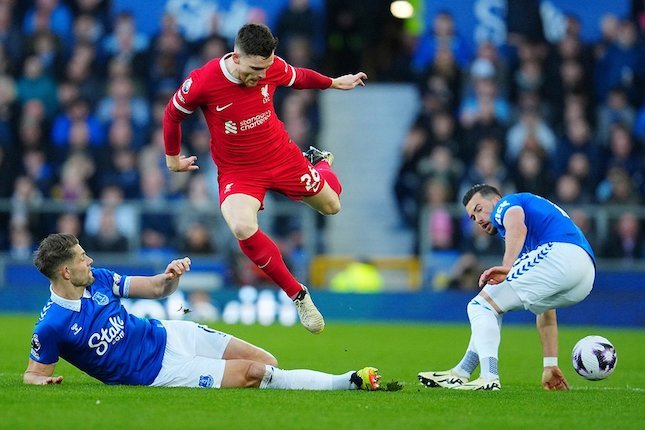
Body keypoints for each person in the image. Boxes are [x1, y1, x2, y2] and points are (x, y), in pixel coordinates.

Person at [162, 23, 367, 334]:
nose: (261, 74)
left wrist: (332, 83)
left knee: (332, 206)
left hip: (280, 156)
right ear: (237, 57)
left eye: (267, 66)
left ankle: (320, 163)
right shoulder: (203, 81)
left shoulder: (271, 67)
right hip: (239, 171)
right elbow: (172, 114)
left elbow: (298, 77)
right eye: (256, 68)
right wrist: (172, 158)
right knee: (242, 226)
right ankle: (298, 295)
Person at [24, 233, 382, 391]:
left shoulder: (98, 280)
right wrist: (42, 379)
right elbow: (32, 374)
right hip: (159, 372)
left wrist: (170, 277)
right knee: (256, 374)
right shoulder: (52, 326)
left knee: (268, 361)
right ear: (65, 272)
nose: (90, 260)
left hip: (168, 333)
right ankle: (347, 382)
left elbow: (155, 289)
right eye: (82, 258)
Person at [418, 184, 595, 390]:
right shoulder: (534, 238)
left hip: (562, 254)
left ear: (494, 200)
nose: (479, 220)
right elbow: (546, 310)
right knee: (489, 307)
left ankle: (488, 377)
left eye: (478, 209)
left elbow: (516, 226)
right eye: (473, 218)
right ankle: (461, 373)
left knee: (480, 306)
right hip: (584, 277)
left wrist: (507, 266)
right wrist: (550, 364)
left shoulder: (506, 203)